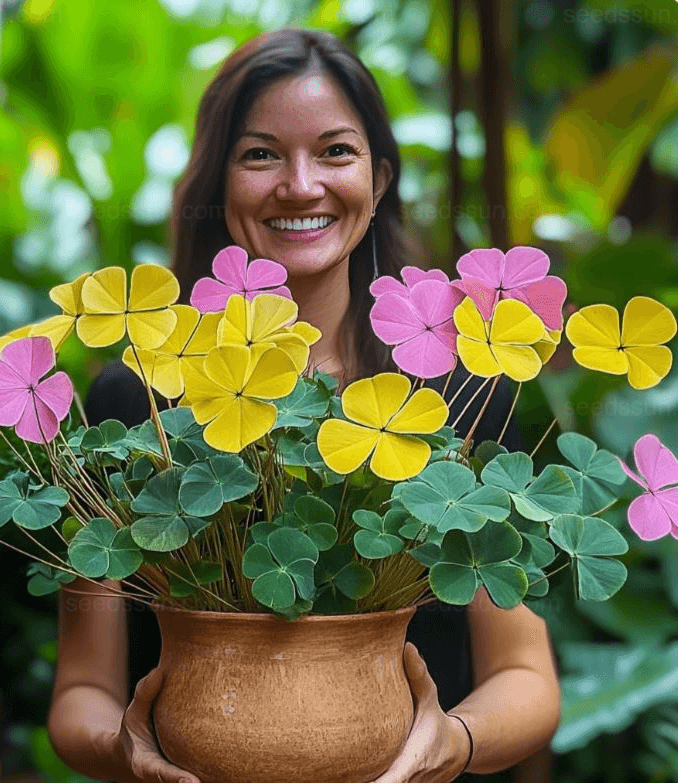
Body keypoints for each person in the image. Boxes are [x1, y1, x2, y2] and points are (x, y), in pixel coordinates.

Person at [47, 27, 561, 783]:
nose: (299, 183)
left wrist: (452, 740)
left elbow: (526, 672)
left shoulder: (461, 389)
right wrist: (125, 749)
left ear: (379, 179)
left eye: (334, 151)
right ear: (217, 185)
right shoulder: (137, 400)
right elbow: (82, 688)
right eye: (259, 154)